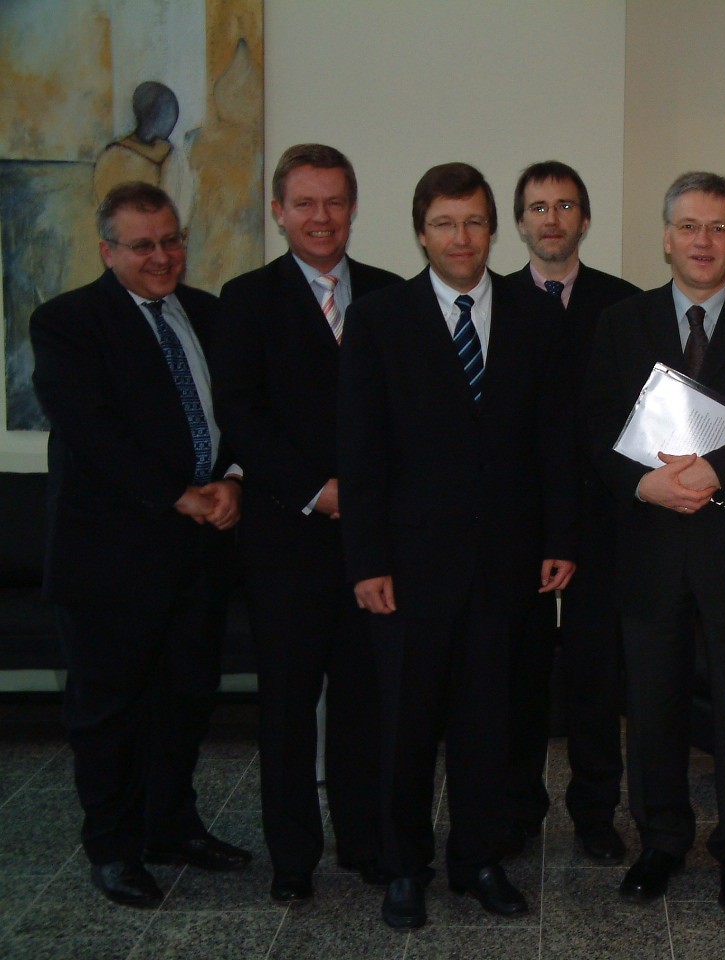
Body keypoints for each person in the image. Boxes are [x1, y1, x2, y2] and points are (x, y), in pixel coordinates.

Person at [337, 162, 577, 930]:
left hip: (506, 566)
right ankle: (404, 867)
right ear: (421, 232)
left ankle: (478, 859)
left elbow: (555, 439)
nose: (461, 237)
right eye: (445, 223)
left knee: (489, 723)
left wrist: (561, 537)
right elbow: (361, 452)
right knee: (404, 728)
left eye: (474, 221)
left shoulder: (535, 315)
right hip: (408, 569)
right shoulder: (378, 320)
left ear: (493, 229)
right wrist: (367, 560)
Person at [582, 172, 725, 914]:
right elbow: (595, 429)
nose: (703, 241)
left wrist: (718, 470)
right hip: (649, 546)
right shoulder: (621, 323)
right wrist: (642, 485)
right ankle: (661, 841)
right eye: (689, 226)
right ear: (666, 237)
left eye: (718, 228)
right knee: (652, 705)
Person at [30, 182, 250, 908]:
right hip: (109, 558)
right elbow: (92, 430)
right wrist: (178, 493)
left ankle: (172, 826)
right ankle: (114, 848)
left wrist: (234, 480)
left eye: (171, 241)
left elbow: (240, 413)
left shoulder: (209, 314)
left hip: (201, 551)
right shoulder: (67, 323)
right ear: (107, 250)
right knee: (108, 713)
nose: (162, 257)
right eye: (143, 245)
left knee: (186, 699)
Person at [212, 144, 401, 903]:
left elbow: (411, 412)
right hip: (286, 539)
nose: (321, 217)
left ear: (353, 209)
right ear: (279, 211)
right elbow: (240, 415)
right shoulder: (244, 299)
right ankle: (292, 857)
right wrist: (316, 491)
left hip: (372, 542)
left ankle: (363, 840)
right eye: (305, 203)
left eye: (335, 202)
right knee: (289, 706)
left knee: (365, 699)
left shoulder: (391, 294)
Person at [504, 161, 640, 864]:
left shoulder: (625, 305)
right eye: (538, 207)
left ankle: (595, 811)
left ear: (585, 220)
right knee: (518, 675)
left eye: (564, 206)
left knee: (596, 676)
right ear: (519, 222)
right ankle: (518, 806)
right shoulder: (490, 302)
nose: (551, 219)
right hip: (516, 527)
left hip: (603, 523)